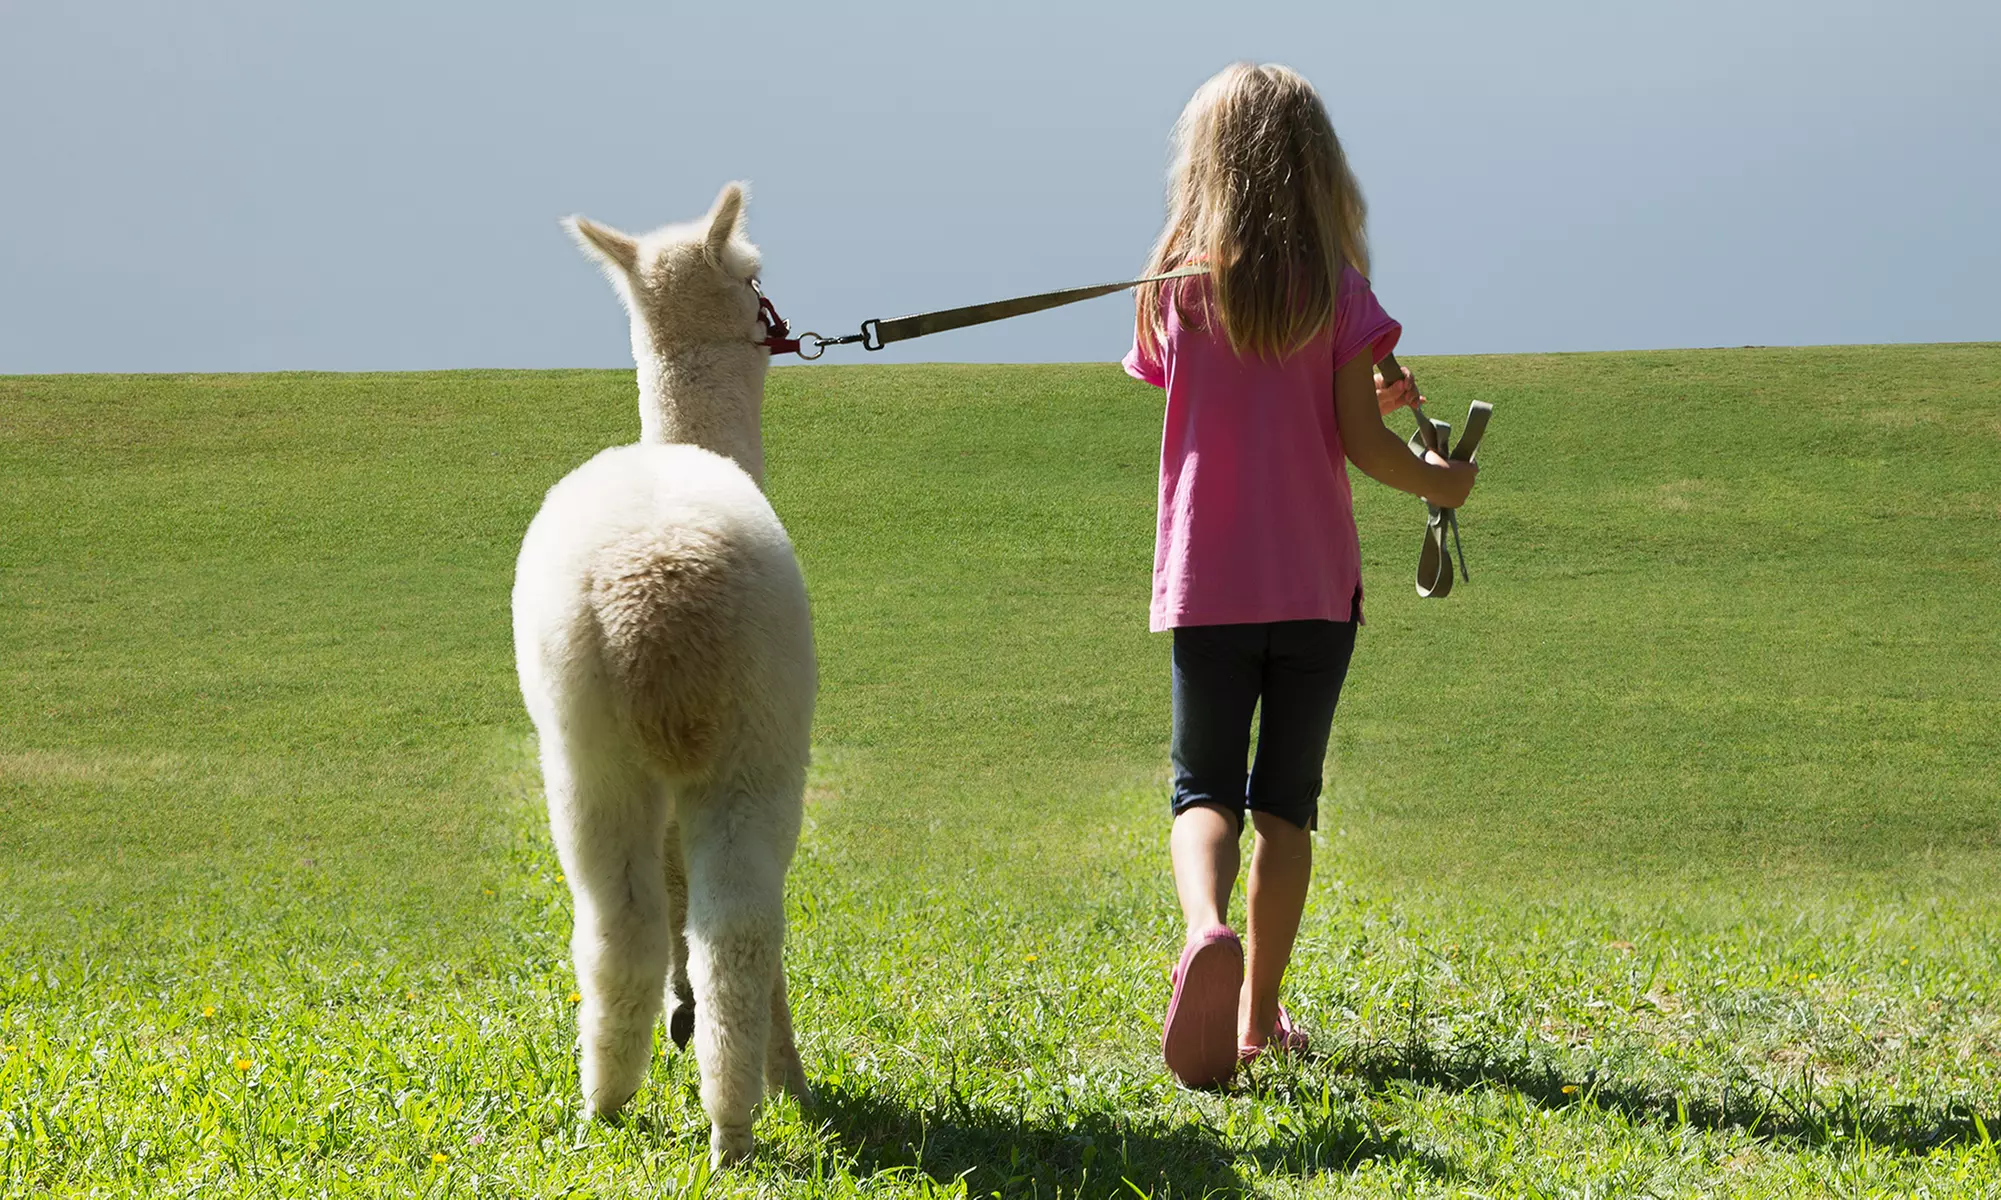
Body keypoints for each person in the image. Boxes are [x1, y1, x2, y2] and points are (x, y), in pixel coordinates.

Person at [1122, 62, 1478, 1088]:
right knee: (1288, 802)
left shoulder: (1174, 286)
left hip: (1208, 586)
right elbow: (1366, 446)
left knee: (1202, 788)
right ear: (1317, 168)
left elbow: (1181, 381)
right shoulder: (1338, 292)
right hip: (1316, 593)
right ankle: (1257, 1016)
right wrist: (1440, 484)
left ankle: (1203, 932)